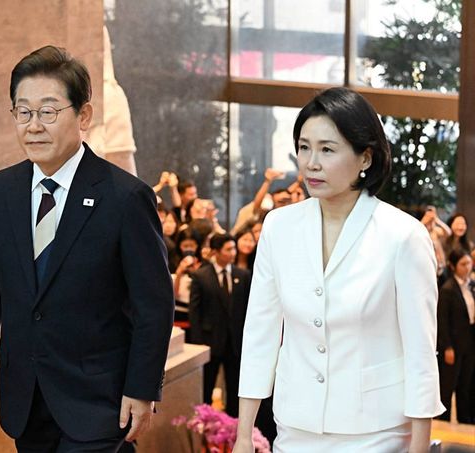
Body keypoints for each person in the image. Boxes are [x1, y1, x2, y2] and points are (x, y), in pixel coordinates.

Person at [0, 45, 174, 452]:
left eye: (48, 112)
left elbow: (154, 306)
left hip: (100, 402)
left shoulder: (125, 198)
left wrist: (142, 388)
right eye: (23, 112)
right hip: (26, 400)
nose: (34, 126)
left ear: (83, 116)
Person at [234, 87, 443, 453]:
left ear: (365, 158)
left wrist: (420, 446)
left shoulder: (402, 235)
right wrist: (243, 435)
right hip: (295, 426)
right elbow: (259, 333)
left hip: (376, 431)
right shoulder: (279, 227)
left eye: (327, 150)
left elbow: (420, 352)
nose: (311, 163)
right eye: (304, 147)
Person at [189, 233, 252, 418]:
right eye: (228, 249)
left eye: (233, 248)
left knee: (234, 387)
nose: (233, 253)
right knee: (207, 386)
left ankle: (233, 425)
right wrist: (199, 342)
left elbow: (247, 309)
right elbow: (195, 312)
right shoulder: (201, 276)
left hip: (235, 342)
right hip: (210, 340)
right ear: (216, 252)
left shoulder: (243, 275)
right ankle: (204, 423)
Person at [437, 249, 475, 424]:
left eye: (469, 263)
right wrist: (447, 347)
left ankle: (465, 420)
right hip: (454, 345)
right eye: (463, 264)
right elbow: (442, 321)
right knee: (448, 386)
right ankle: (443, 422)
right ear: (453, 266)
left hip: (470, 343)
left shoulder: (471, 285)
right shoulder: (448, 289)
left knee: (466, 385)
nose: (467, 267)